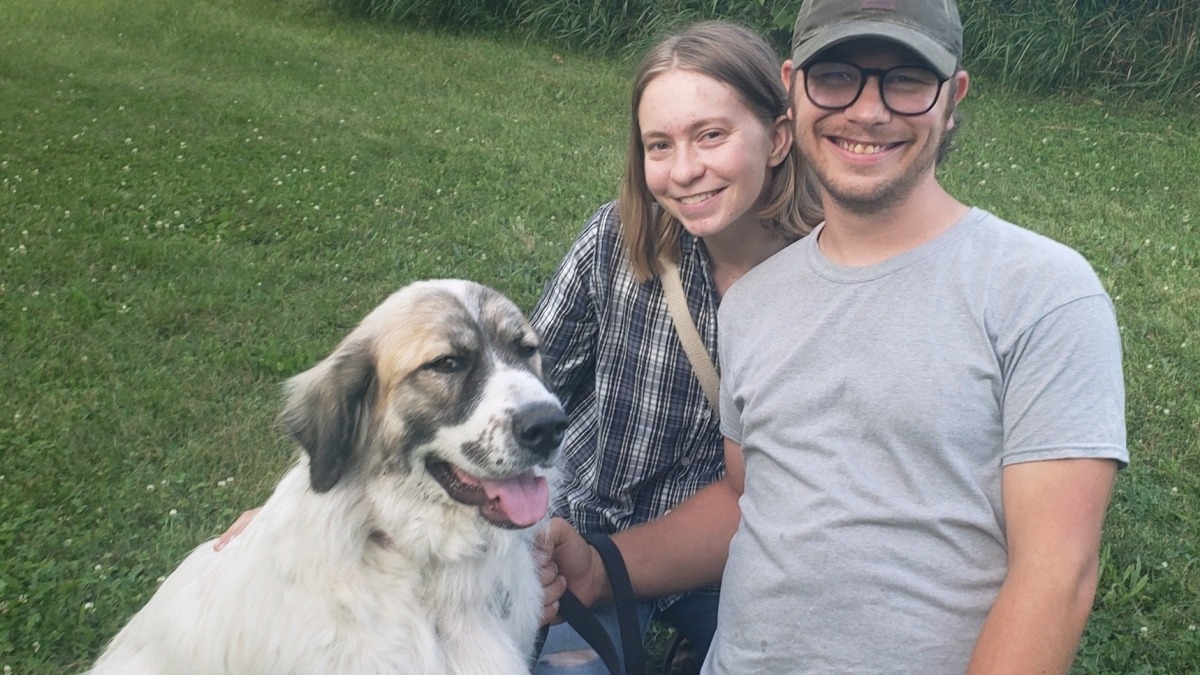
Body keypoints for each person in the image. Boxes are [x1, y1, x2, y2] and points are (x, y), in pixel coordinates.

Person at [538, 1, 1128, 673]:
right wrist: (602, 565)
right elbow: (744, 498)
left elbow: (1056, 572)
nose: (868, 110)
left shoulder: (1042, 292)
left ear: (953, 95)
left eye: (906, 78)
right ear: (793, 90)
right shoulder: (754, 303)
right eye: (837, 76)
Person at [216, 20, 822, 673]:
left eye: (712, 135)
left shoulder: (825, 288)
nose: (684, 169)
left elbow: (776, 491)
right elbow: (521, 382)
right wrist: (304, 517)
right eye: (658, 144)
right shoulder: (620, 242)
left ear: (779, 136)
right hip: (581, 528)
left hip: (733, 554)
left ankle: (688, 645)